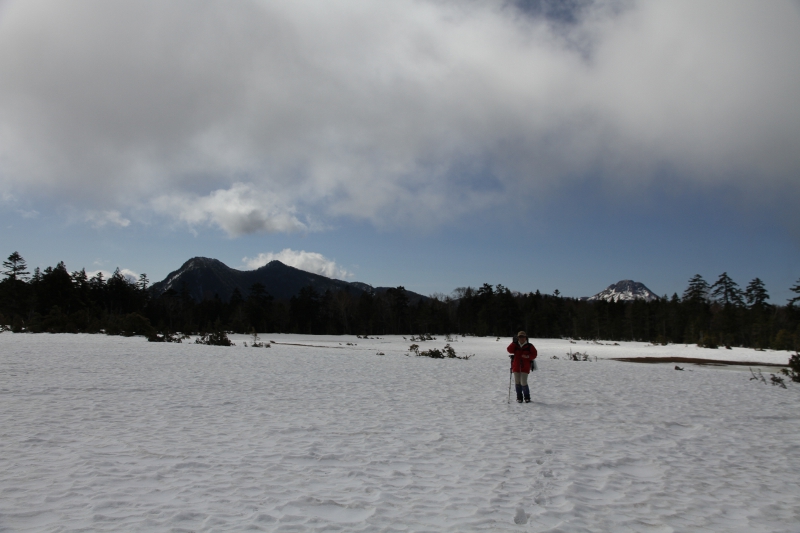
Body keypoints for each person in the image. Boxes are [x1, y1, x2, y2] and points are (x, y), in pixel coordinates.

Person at [507, 331, 537, 403]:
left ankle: (527, 397)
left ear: (525, 337)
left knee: (523, 382)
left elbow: (534, 354)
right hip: (516, 366)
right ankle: (519, 397)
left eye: (523, 337)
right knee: (517, 382)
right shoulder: (515, 345)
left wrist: (527, 356)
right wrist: (513, 343)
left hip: (525, 367)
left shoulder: (529, 346)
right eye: (520, 337)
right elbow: (509, 350)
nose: (522, 338)